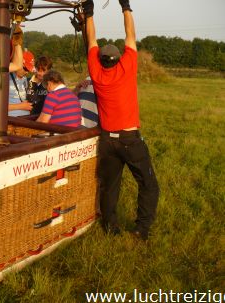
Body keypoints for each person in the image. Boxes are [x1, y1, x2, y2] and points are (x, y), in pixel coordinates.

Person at [83, 0, 159, 240]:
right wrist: (125, 6)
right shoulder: (127, 67)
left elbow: (91, 39)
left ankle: (110, 227)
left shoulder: (95, 72)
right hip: (129, 139)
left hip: (107, 140)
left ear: (102, 60)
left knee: (110, 186)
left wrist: (89, 12)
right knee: (148, 185)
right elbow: (131, 34)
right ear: (117, 59)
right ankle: (141, 229)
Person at [8, 50, 35, 117]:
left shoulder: (25, 79)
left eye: (28, 70)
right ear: (19, 63)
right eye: (25, 69)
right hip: (12, 120)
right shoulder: (5, 77)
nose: (26, 73)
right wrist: (20, 106)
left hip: (26, 118)